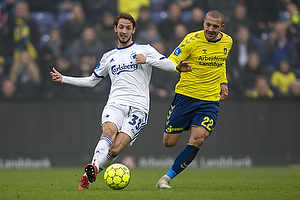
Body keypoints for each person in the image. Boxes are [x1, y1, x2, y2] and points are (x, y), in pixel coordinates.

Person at [50, 13, 191, 190]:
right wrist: (63, 78)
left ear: (134, 30)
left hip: (139, 109)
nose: (124, 31)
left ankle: (90, 174)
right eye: (121, 27)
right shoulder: (108, 57)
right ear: (115, 29)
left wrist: (147, 60)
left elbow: (171, 66)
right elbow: (92, 81)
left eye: (128, 28)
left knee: (114, 150)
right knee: (108, 132)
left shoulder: (145, 49)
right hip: (115, 103)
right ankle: (92, 168)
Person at [155, 10, 233, 189]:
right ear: (203, 22)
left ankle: (165, 179)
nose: (211, 29)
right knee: (169, 142)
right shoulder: (191, 40)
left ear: (222, 27)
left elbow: (221, 61)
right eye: (208, 25)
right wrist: (178, 67)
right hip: (186, 97)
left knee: (198, 139)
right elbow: (170, 61)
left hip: (210, 100)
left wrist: (223, 81)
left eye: (215, 26)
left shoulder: (228, 41)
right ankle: (189, 122)